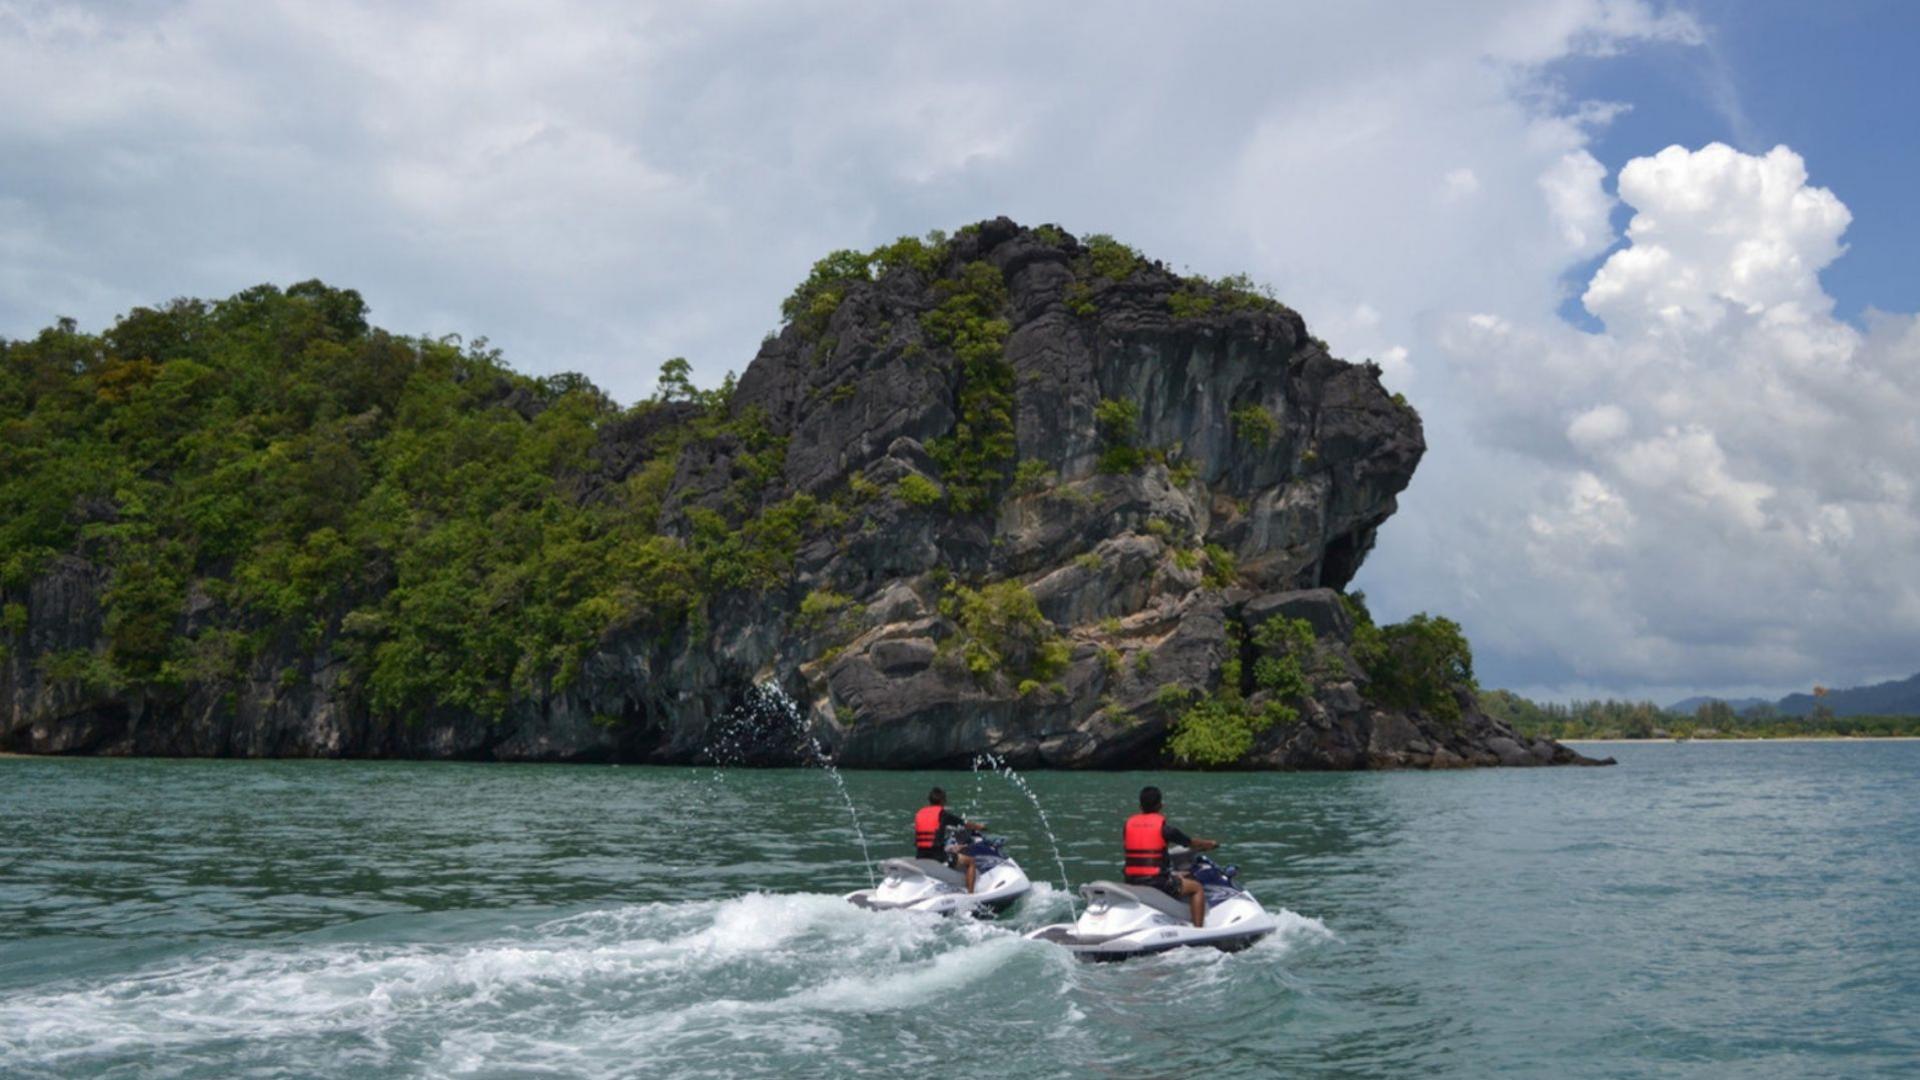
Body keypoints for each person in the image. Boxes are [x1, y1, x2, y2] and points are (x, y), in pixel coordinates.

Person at [1123, 785, 1218, 927]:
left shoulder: (1127, 826)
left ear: (1140, 806)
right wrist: (1210, 844)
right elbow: (1190, 843)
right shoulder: (1166, 830)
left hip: (1131, 880)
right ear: (1160, 805)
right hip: (1157, 882)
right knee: (1196, 888)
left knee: (1179, 875)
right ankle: (1199, 930)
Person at [915, 787, 985, 893]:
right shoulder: (943, 814)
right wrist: (981, 827)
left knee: (951, 850)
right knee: (970, 862)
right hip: (937, 857)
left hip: (920, 855)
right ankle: (971, 895)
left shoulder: (920, 813)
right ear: (943, 801)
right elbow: (965, 824)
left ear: (929, 800)